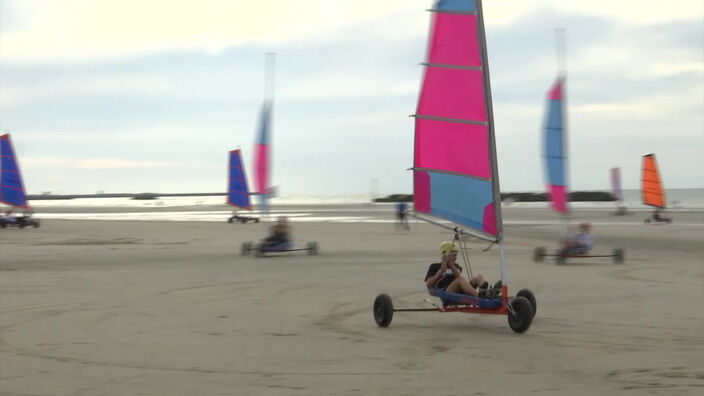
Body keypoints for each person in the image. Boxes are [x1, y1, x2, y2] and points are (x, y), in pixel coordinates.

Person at [424, 241, 501, 301]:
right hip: (447, 294)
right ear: (444, 254)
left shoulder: (456, 266)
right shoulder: (434, 266)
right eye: (453, 255)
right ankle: (480, 296)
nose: (455, 258)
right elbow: (428, 285)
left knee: (479, 277)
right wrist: (440, 271)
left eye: (456, 255)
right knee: (459, 280)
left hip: (460, 291)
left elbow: (458, 275)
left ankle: (488, 293)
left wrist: (450, 264)